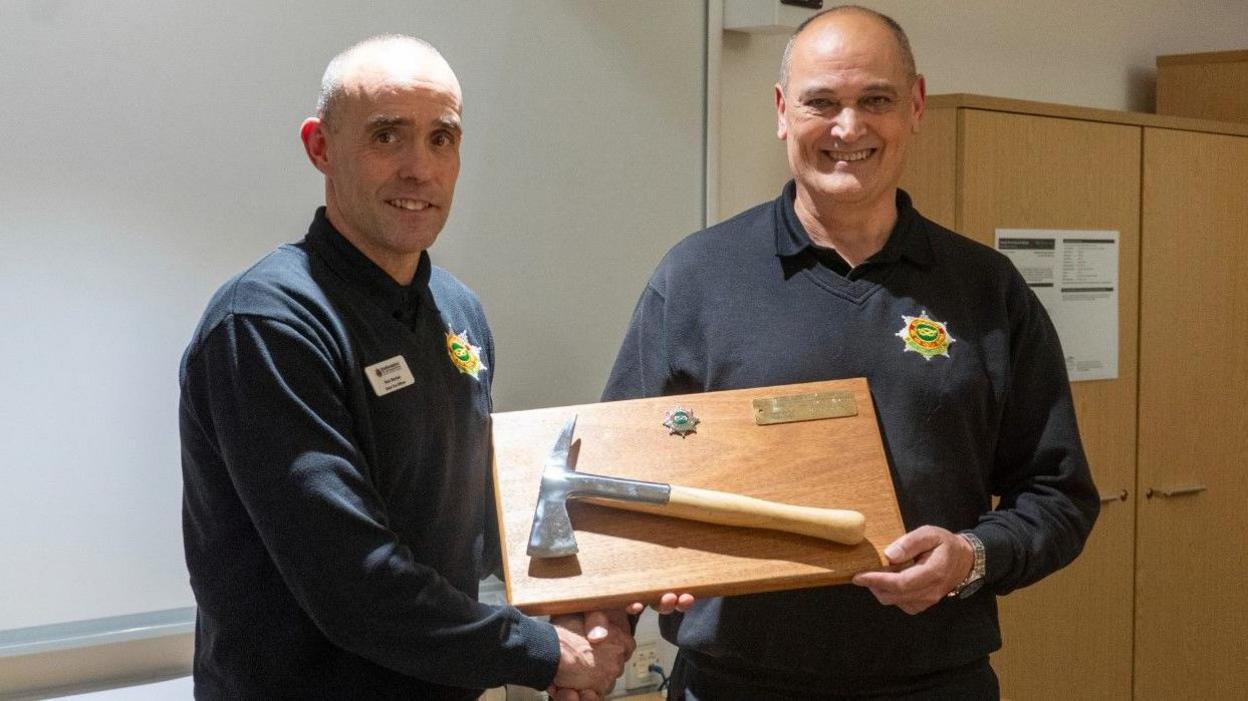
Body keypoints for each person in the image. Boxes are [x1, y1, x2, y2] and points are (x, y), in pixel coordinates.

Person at [602, 6, 1100, 699]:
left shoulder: (988, 290)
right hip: (733, 682)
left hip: (933, 682)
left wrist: (973, 556)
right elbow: (609, 475)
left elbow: (1059, 494)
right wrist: (643, 582)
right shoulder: (696, 279)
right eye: (822, 102)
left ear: (916, 105)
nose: (848, 128)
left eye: (876, 100)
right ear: (782, 111)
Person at [179, 35, 634, 700]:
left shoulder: (457, 312)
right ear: (321, 148)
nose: (419, 167)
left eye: (441, 138)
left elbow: (469, 529)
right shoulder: (269, 325)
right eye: (387, 135)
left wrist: (583, 603)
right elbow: (353, 583)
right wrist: (540, 651)